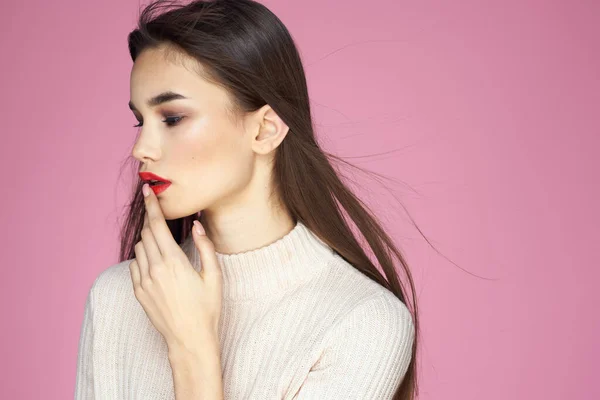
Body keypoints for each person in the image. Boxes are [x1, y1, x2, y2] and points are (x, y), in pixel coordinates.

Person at [75, 0, 419, 399]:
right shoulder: (117, 297)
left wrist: (192, 348)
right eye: (141, 121)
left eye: (171, 118)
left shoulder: (360, 321)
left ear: (265, 130)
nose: (141, 148)